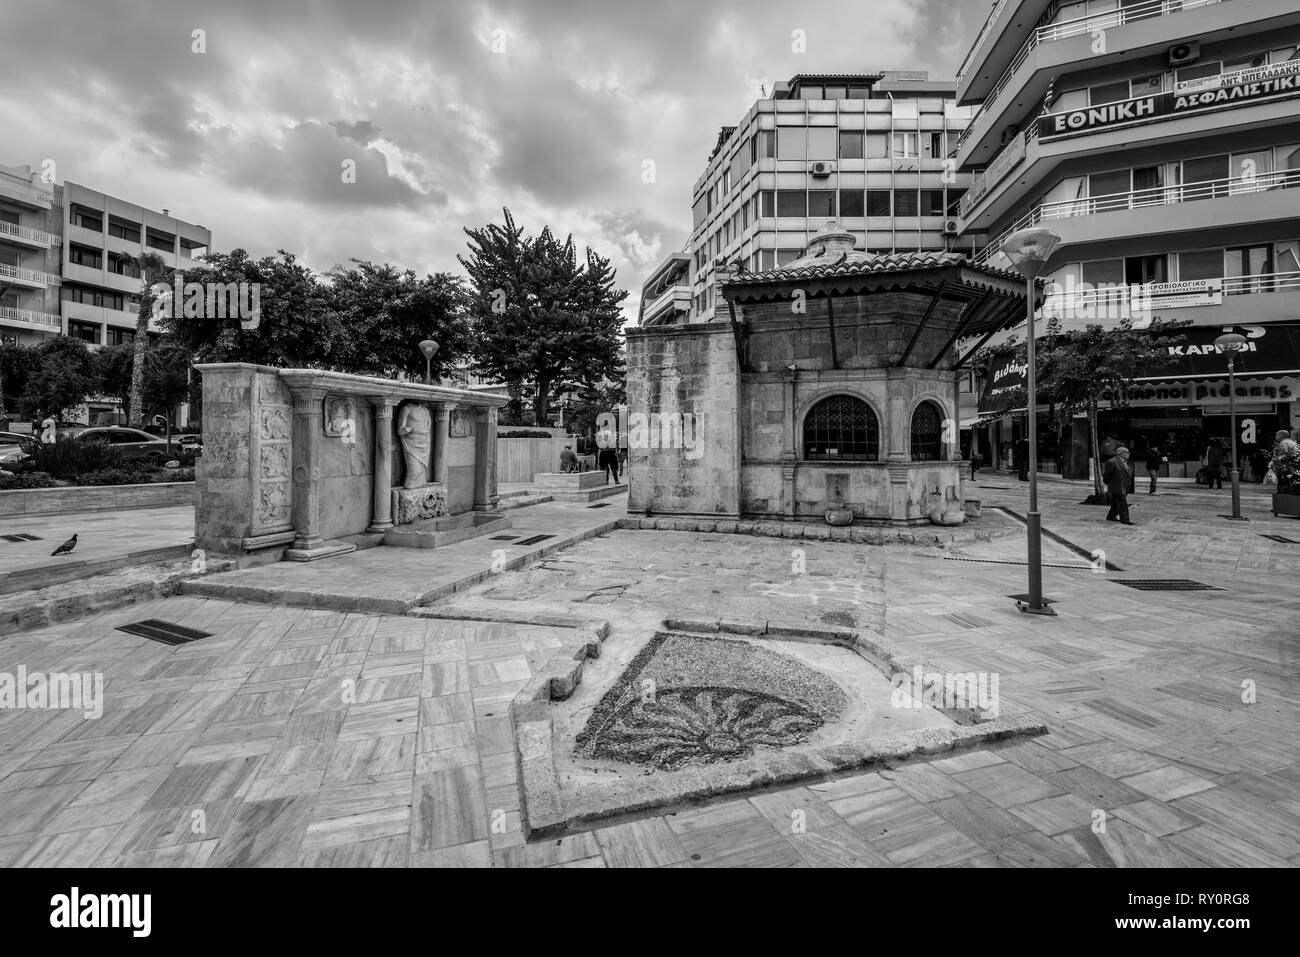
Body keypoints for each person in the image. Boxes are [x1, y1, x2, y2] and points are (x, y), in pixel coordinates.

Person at [1103, 447, 1135, 525]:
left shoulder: (1126, 462)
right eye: (1127, 453)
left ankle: (1111, 516)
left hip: (1124, 486)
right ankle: (1125, 519)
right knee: (1122, 504)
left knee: (1116, 503)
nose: (1129, 454)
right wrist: (1111, 485)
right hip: (1117, 486)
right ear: (1121, 454)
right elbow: (1106, 476)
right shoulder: (1112, 462)